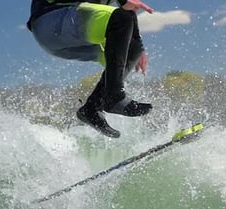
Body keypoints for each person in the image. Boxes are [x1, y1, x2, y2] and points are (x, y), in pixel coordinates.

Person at [26, 0, 154, 138]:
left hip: (66, 38)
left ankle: (92, 108)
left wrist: (135, 46)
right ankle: (114, 97)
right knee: (122, 17)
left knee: (131, 45)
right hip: (51, 20)